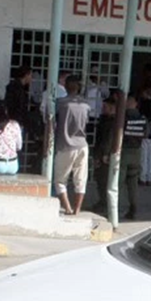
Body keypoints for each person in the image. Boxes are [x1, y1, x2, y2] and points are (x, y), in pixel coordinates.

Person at [53, 75, 91, 215]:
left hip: (65, 145)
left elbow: (51, 119)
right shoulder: (86, 105)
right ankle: (77, 209)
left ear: (66, 87)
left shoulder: (60, 103)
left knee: (60, 180)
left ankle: (67, 208)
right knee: (81, 180)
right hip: (82, 145)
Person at [119, 94, 147, 220]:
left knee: (117, 182)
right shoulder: (142, 118)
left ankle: (113, 208)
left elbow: (119, 133)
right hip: (137, 151)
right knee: (133, 183)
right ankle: (133, 207)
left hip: (124, 151)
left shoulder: (123, 117)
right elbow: (145, 134)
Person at [92, 95, 117, 215]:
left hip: (105, 155)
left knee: (104, 180)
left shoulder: (112, 122)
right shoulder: (104, 119)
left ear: (112, 107)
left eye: (105, 106)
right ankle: (102, 202)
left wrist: (105, 154)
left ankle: (105, 203)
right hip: (100, 152)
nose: (103, 108)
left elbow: (108, 139)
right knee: (99, 179)